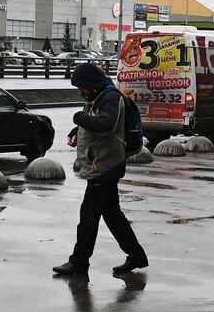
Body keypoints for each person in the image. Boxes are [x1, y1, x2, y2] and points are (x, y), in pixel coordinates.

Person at [52, 63, 148, 277]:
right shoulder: (99, 96)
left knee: (89, 216)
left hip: (105, 166)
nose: (80, 91)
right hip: (103, 164)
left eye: (81, 86)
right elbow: (95, 120)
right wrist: (78, 129)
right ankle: (136, 255)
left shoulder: (110, 97)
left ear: (91, 84)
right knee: (112, 214)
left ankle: (78, 262)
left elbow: (106, 124)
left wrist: (79, 118)